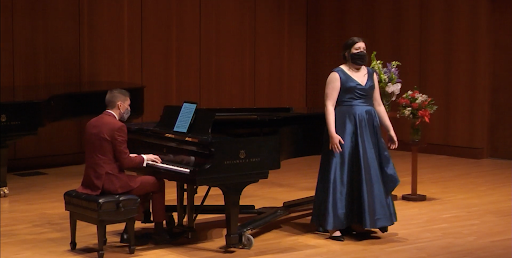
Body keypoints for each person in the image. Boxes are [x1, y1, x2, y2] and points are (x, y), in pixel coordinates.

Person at [311, 37, 400, 242]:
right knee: (340, 172)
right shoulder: (337, 74)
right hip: (345, 126)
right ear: (347, 52)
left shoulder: (372, 74)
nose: (361, 52)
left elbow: (378, 104)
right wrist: (332, 132)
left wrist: (390, 129)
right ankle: (334, 226)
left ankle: (360, 220)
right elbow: (329, 105)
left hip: (367, 128)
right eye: (357, 49)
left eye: (364, 49)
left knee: (366, 172)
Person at [77, 88, 171, 244]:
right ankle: (159, 231)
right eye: (128, 105)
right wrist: (144, 158)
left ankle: (129, 231)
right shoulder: (117, 126)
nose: (129, 109)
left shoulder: (92, 123)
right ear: (120, 105)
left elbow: (103, 153)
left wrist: (134, 156)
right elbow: (126, 163)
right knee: (156, 183)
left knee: (142, 183)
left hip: (93, 181)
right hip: (111, 182)